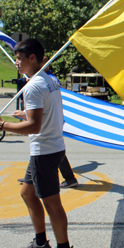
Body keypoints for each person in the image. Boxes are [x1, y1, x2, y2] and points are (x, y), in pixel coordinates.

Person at [0, 38, 77, 248]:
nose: (16, 62)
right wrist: (25, 114)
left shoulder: (33, 86)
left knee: (52, 203)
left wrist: (2, 126)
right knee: (27, 194)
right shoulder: (48, 80)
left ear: (32, 58)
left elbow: (34, 127)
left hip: (44, 151)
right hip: (51, 148)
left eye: (18, 58)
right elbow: (43, 116)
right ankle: (40, 243)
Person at [17, 56, 78, 189]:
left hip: (49, 128)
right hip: (48, 130)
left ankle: (69, 178)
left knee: (53, 148)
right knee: (27, 193)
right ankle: (32, 177)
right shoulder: (44, 79)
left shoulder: (45, 80)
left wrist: (2, 125)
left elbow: (47, 104)